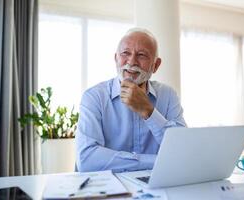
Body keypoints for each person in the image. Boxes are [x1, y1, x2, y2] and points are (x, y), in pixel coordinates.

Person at [75, 27, 186, 172]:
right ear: (116, 59)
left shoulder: (168, 95)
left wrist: (148, 111)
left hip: (157, 188)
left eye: (142, 55)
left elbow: (182, 150)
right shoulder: (94, 97)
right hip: (109, 190)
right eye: (125, 53)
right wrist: (156, 161)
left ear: (156, 65)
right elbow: (87, 160)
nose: (132, 61)